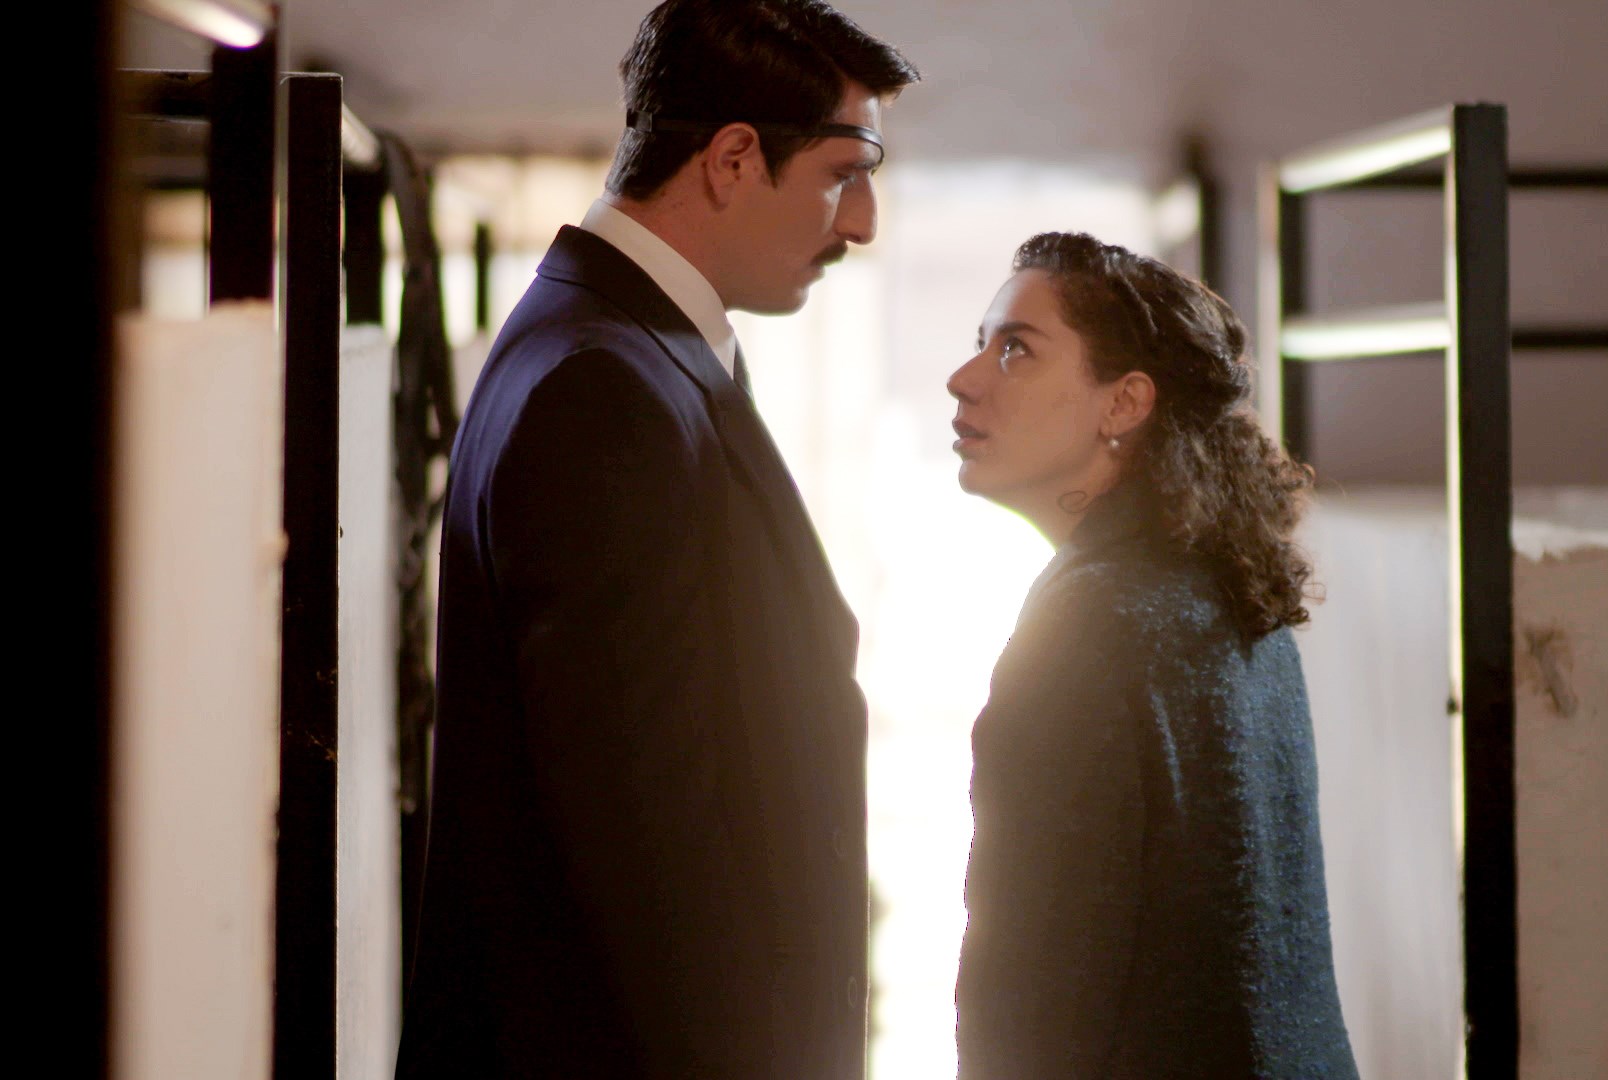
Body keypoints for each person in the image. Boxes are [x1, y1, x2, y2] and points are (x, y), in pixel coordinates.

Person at [395, 3, 917, 1077]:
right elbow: (648, 855)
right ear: (732, 159)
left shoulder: (623, 344)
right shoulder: (605, 388)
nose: (863, 223)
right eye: (844, 174)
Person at [948, 232, 1359, 1078]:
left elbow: (1030, 1008)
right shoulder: (1230, 588)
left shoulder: (1090, 624)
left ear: (1125, 403)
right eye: (981, 344)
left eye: (1016, 349)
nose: (965, 377)